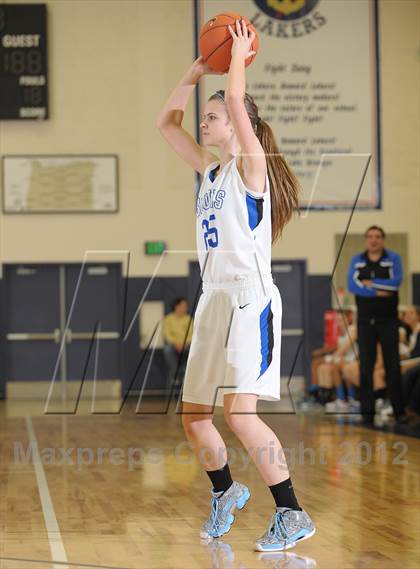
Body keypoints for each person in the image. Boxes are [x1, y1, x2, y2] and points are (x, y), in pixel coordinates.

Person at [156, 19, 315, 552]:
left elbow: (241, 97)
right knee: (194, 415)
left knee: (239, 413)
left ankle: (292, 512)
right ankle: (225, 491)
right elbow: (165, 123)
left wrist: (239, 56)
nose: (203, 121)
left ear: (239, 124)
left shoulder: (251, 168)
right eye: (205, 113)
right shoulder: (212, 171)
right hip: (213, 299)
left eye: (214, 114)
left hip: (250, 297)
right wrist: (196, 70)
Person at [347, 225, 408, 426]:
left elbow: (396, 283)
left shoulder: (393, 258)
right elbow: (351, 285)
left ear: (383, 240)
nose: (374, 240)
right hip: (365, 322)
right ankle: (367, 413)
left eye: (378, 237)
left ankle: (399, 411)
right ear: (366, 239)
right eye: (370, 236)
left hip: (388, 321)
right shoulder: (357, 260)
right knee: (366, 367)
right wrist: (376, 291)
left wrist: (369, 283)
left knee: (392, 366)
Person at [162, 297, 193, 388]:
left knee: (193, 350)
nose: (185, 308)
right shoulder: (168, 319)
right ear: (176, 306)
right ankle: (174, 371)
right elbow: (167, 334)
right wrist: (176, 343)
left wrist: (184, 343)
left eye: (186, 306)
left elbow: (192, 334)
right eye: (183, 306)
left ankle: (184, 372)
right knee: (167, 349)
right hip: (173, 345)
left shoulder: (189, 319)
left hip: (186, 345)